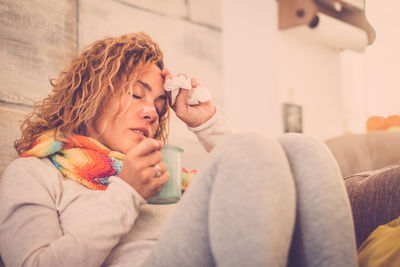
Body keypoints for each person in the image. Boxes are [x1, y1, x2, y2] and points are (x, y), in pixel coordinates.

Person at [0, 32, 358, 267]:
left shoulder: (167, 178)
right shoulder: (35, 173)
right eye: (135, 93)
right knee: (250, 149)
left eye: (158, 105)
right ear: (90, 95)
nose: (150, 112)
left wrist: (207, 123)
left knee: (302, 149)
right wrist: (125, 192)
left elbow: (253, 190)